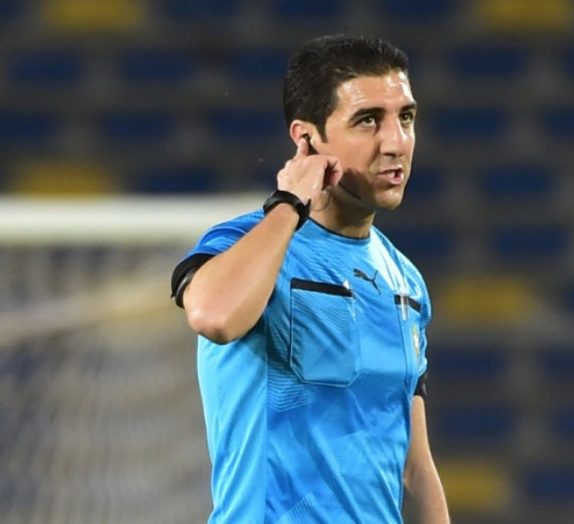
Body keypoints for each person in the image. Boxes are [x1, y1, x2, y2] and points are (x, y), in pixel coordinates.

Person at [170, 34, 450, 523]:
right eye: (368, 120)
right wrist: (289, 203)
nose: (396, 143)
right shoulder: (245, 243)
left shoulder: (404, 279)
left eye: (405, 117)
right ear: (307, 139)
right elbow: (214, 316)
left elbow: (415, 467)